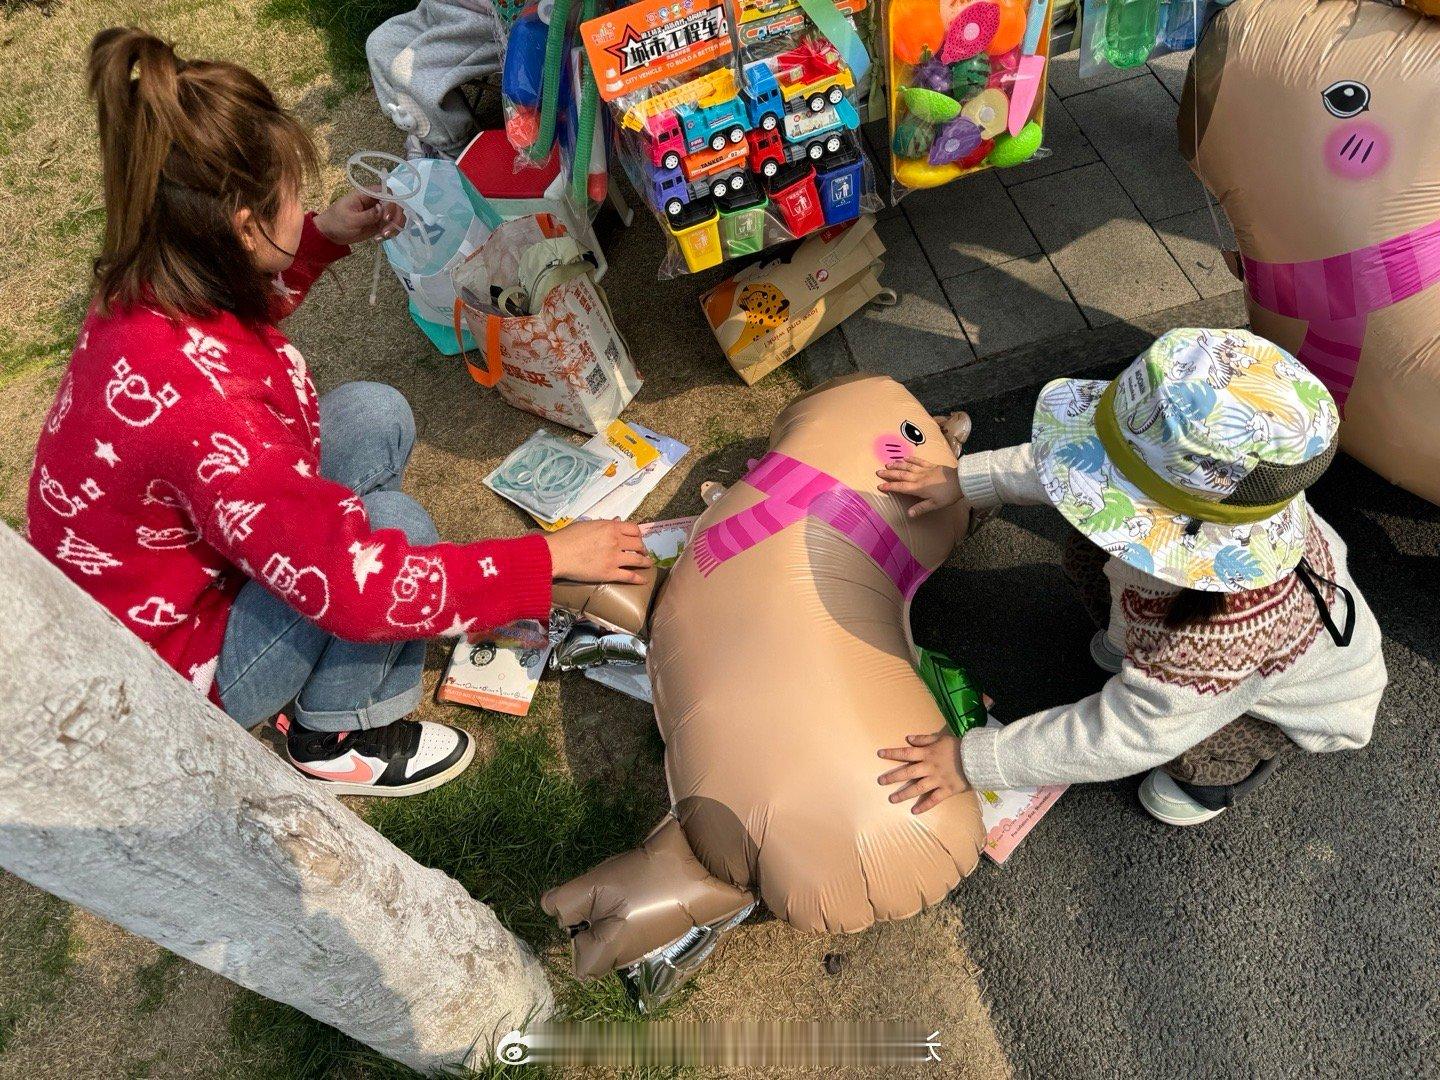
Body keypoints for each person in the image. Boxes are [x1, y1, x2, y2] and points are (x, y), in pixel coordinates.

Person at [27, 28, 650, 797]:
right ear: (245, 227)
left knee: (372, 412)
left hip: (171, 576)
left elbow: (232, 327)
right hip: (179, 666)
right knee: (396, 530)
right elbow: (358, 593)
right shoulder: (212, 416)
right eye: (293, 195)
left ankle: (324, 674)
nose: (304, 201)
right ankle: (337, 731)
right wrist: (548, 561)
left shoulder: (147, 274)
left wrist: (318, 238)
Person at [875, 328, 1387, 826]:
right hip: (1189, 626)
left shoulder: (1214, 636)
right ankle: (1136, 651)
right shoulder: (1239, 494)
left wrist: (975, 762)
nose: (1091, 485)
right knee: (1086, 549)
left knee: (1186, 741)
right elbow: (1082, 466)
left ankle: (1215, 781)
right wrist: (968, 480)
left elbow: (1131, 732)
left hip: (1283, 703)